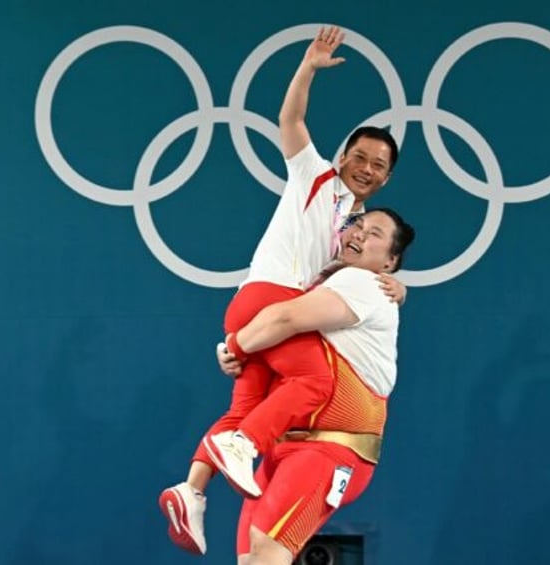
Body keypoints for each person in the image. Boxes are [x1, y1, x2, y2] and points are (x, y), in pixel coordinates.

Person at [158, 25, 403, 556]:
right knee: (314, 383)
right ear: (342, 157)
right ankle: (243, 447)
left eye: (378, 166)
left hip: (263, 308)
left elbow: (343, 281)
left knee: (247, 404)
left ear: (385, 179)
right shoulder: (314, 176)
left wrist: (398, 286)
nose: (365, 169)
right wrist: (308, 68)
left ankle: (192, 491)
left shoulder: (357, 226)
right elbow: (289, 120)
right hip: (270, 299)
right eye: (359, 157)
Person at [221, 208, 416, 564]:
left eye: (374, 233)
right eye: (357, 224)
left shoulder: (363, 282)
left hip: (329, 449)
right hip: (284, 448)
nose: (359, 233)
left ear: (390, 262)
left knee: (266, 555)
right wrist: (236, 352)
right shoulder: (320, 283)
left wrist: (233, 344)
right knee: (252, 559)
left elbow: (284, 318)